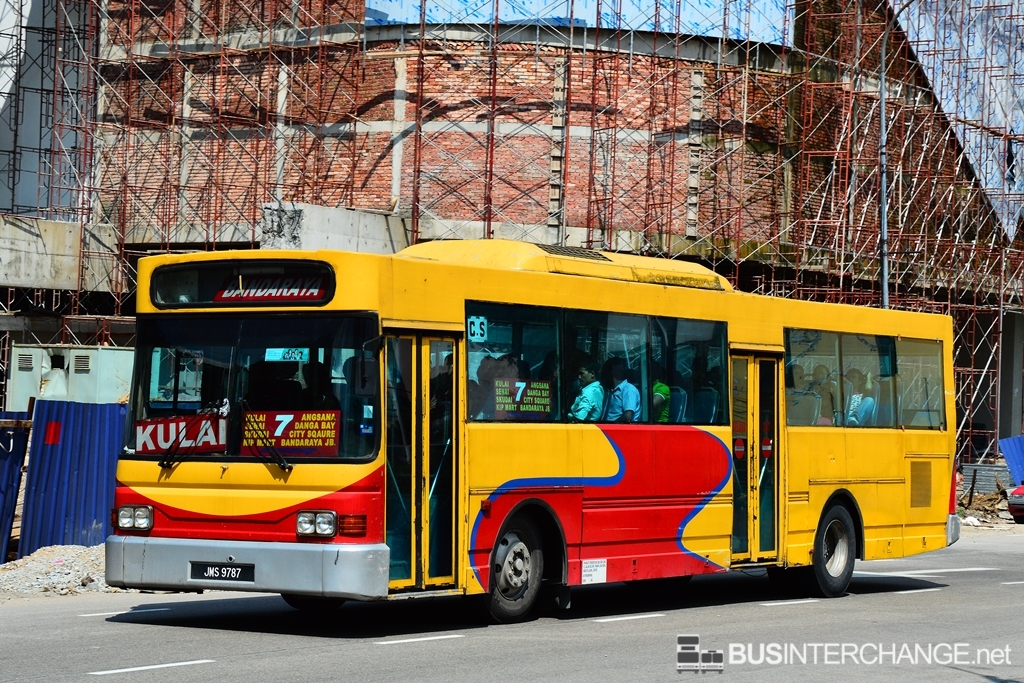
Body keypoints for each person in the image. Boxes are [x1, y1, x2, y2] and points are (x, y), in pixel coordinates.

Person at [604, 356, 641, 423]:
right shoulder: (611, 390)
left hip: (619, 429)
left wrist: (612, 425)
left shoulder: (629, 390)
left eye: (606, 370)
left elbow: (628, 416)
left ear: (613, 371)